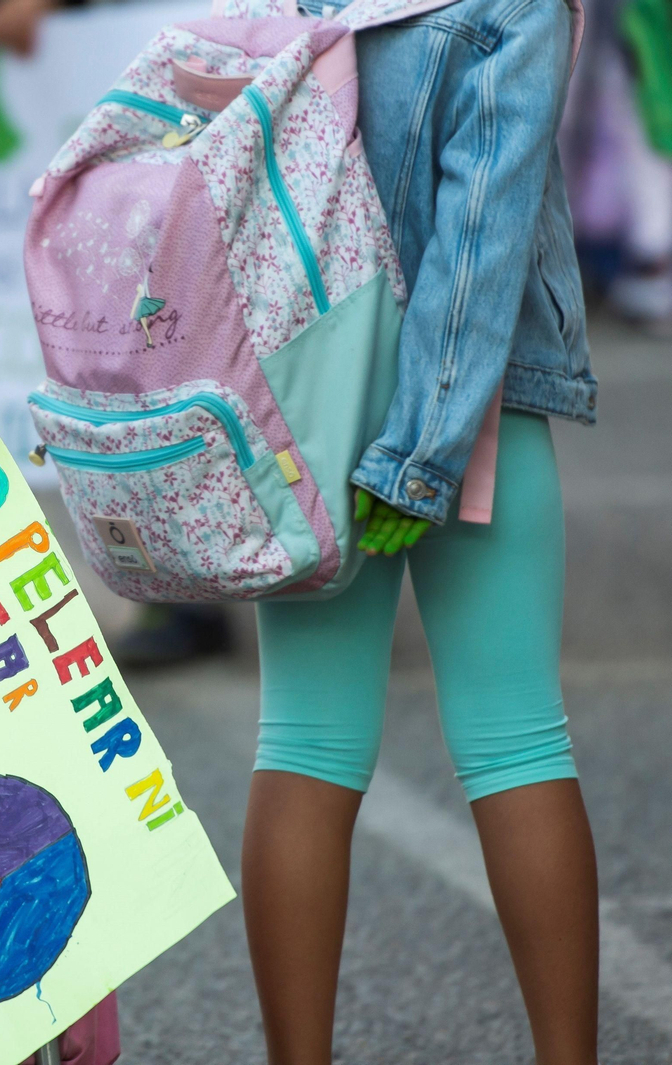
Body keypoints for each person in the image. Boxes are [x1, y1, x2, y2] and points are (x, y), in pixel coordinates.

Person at [242, 2, 600, 1063]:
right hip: (472, 400)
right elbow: (482, 229)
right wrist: (425, 447)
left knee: (302, 737)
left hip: (307, 395)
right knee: (515, 736)